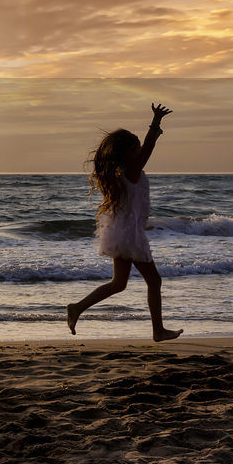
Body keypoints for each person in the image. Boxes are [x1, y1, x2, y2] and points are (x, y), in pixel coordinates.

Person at [67, 103, 183, 342]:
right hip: (130, 235)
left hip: (122, 232)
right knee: (154, 280)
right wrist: (155, 124)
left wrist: (153, 131)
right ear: (128, 153)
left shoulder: (123, 173)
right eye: (136, 147)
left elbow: (145, 151)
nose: (140, 150)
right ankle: (158, 331)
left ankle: (77, 308)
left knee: (119, 283)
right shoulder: (131, 171)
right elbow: (149, 149)